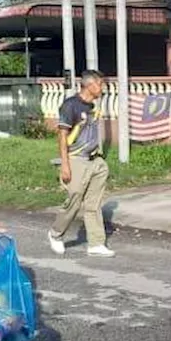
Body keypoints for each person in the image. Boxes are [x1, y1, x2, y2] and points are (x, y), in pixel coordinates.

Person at [48, 70, 114, 258]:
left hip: (95, 161)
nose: (102, 87)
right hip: (76, 159)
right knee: (74, 199)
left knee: (93, 204)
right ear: (89, 85)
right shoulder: (70, 106)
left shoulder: (92, 105)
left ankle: (96, 242)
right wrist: (65, 165)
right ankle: (56, 233)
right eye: (100, 84)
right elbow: (62, 136)